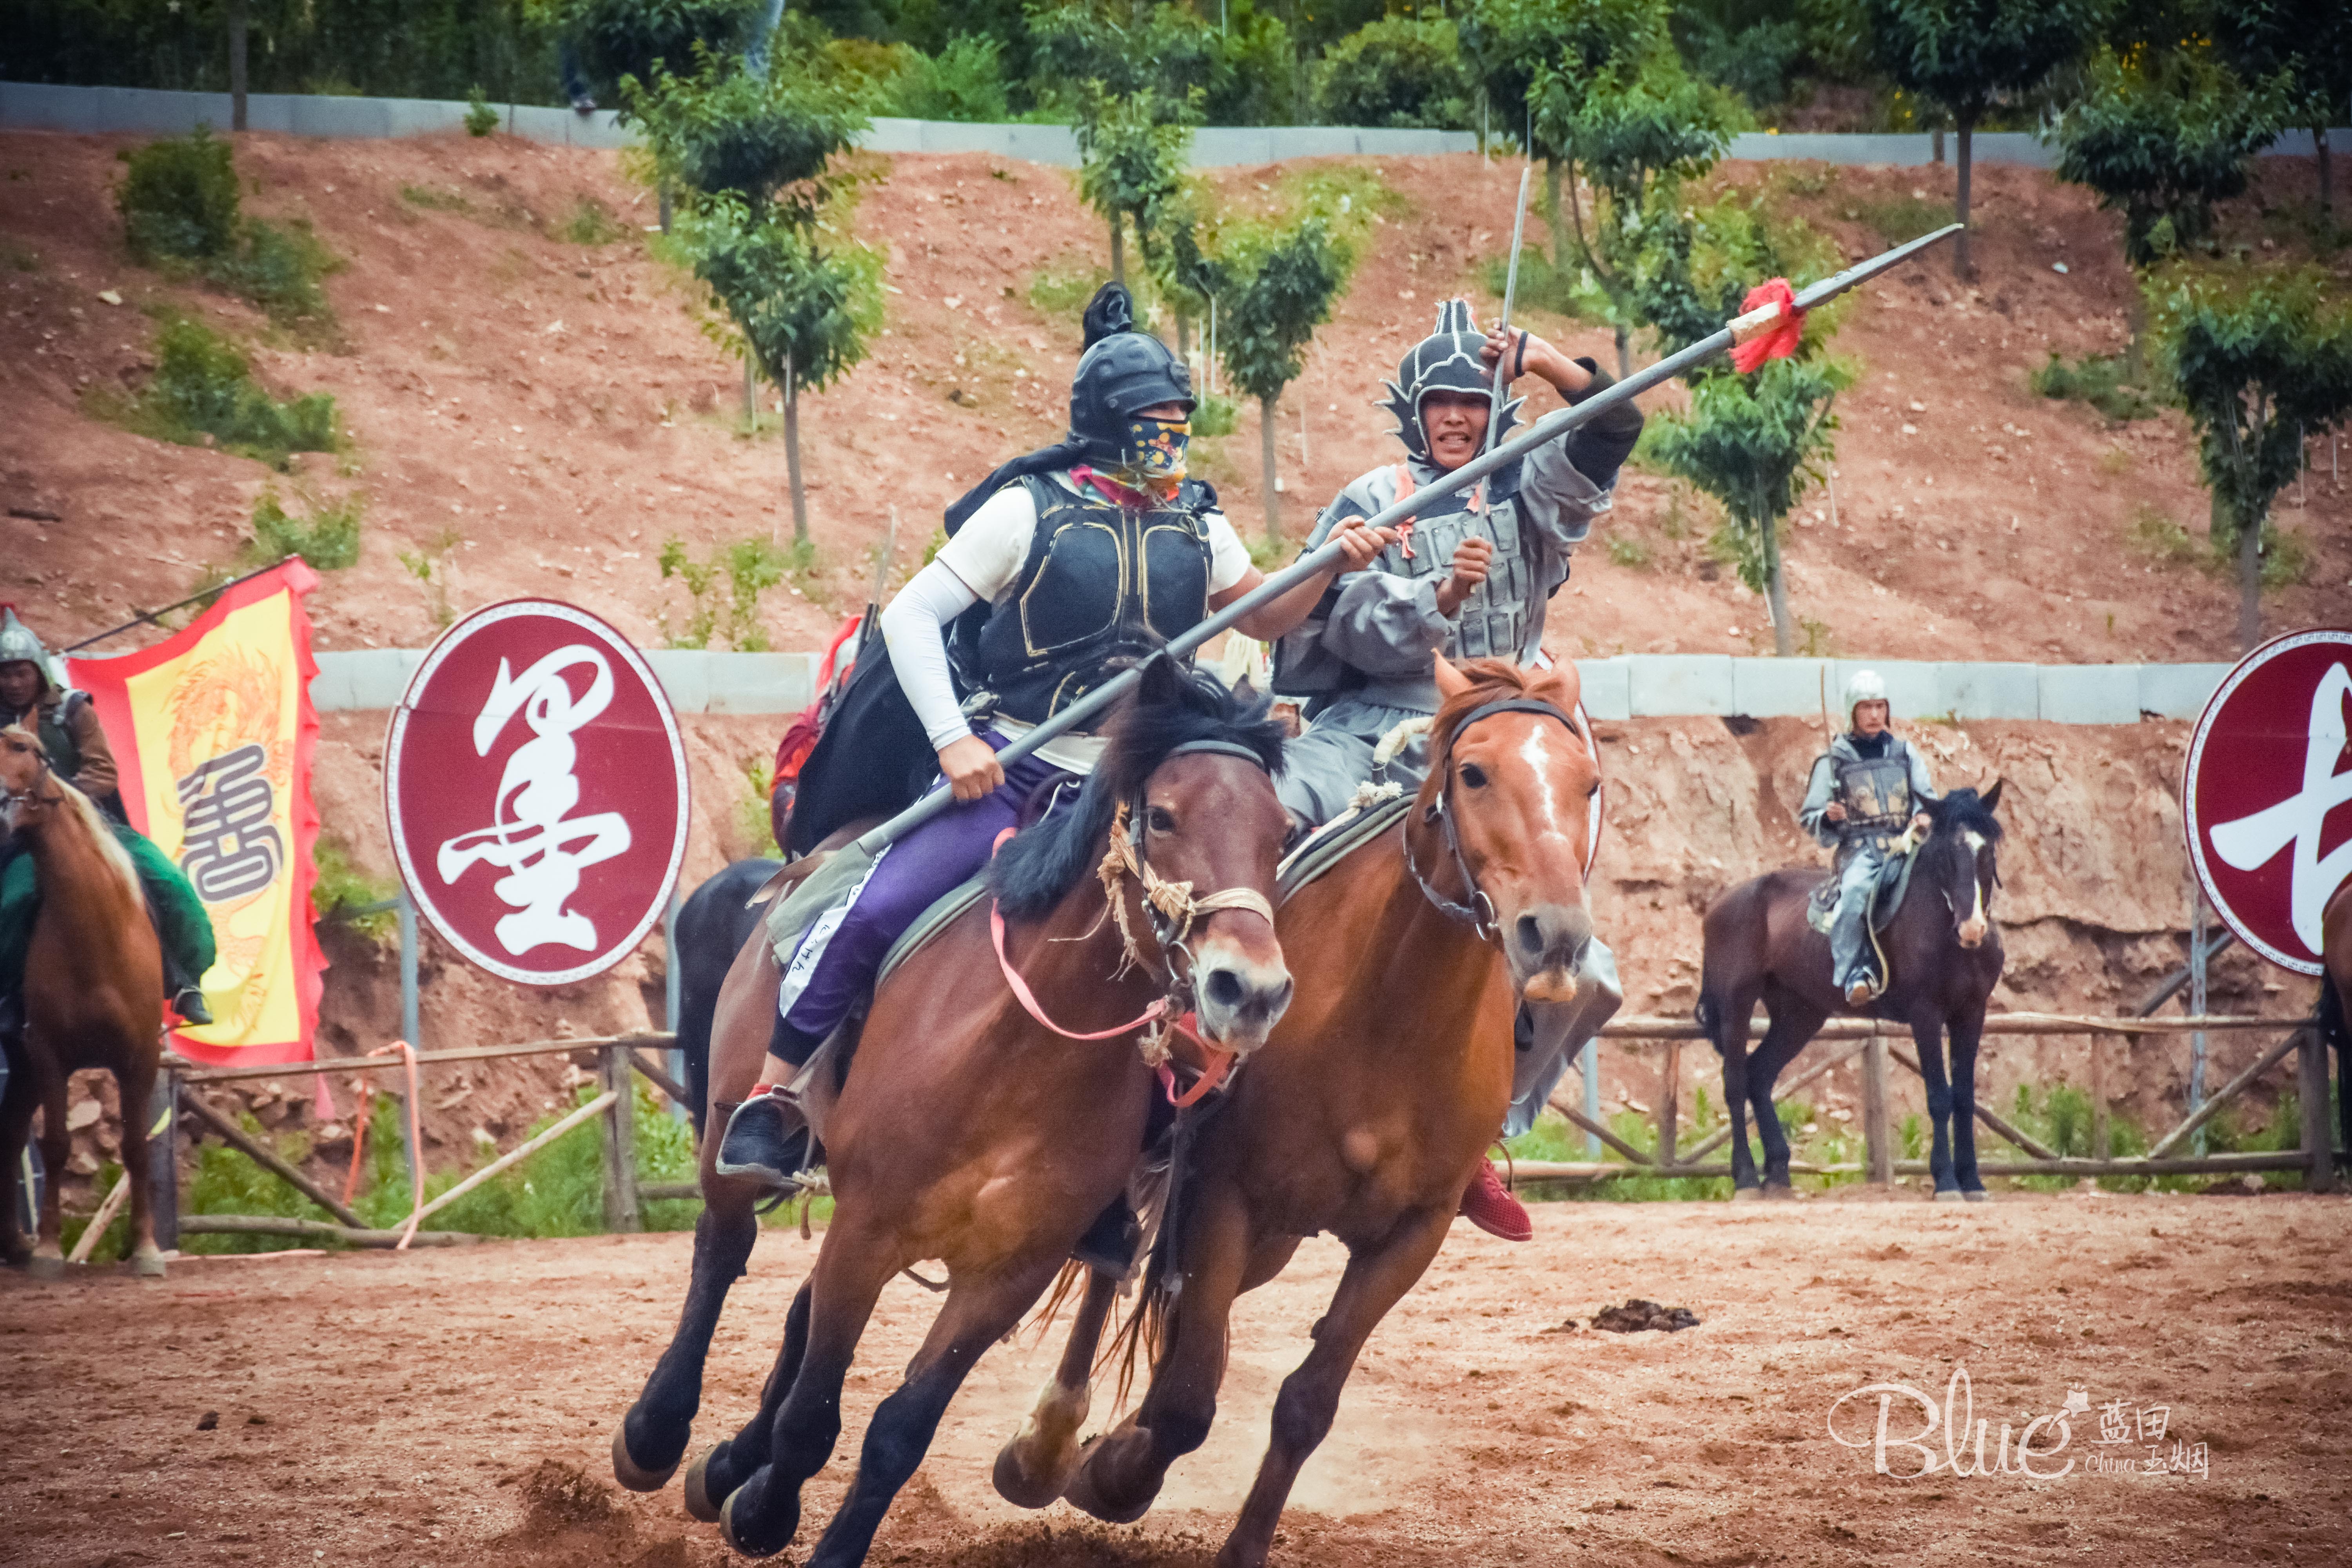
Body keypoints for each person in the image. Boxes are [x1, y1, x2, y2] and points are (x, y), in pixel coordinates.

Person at [715, 287, 1396, 1183]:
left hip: (1136, 786)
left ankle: (1129, 1165)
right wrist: (956, 740)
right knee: (879, 902)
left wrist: (1328, 565)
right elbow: (914, 617)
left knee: (1203, 943)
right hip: (1010, 765)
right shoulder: (1026, 509)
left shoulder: (1194, 517)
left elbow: (1267, 617)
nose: (1171, 436)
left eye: (1178, 420)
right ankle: (778, 1090)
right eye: (1155, 420)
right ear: (1111, 423)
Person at [1269, 299, 1646, 1242]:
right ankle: (1204, 1053)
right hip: (1374, 719)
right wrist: (1433, 596)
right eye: (1439, 403)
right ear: (1413, 411)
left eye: (1472, 401)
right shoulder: (1371, 497)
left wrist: (1545, 360)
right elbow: (1327, 627)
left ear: (1496, 409)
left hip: (1505, 731)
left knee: (1586, 970)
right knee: (1266, 810)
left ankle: (1476, 1127)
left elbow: (1618, 421)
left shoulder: (1531, 491)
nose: (1455, 418)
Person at [0, 610, 215, 1028]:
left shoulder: (72, 712)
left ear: (38, 672)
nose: (12, 682)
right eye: (4, 674)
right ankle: (10, 994)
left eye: (20, 672)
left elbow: (102, 771)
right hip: (23, 839)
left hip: (96, 829)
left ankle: (184, 978)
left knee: (168, 884)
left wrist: (60, 799)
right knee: (12, 903)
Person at [1799, 670, 1938, 1005]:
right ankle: (1854, 974)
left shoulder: (1905, 753)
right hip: (1861, 851)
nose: (1875, 715)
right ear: (1853, 712)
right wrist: (1830, 818)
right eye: (1866, 707)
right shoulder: (1835, 760)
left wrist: (1923, 815)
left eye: (1880, 706)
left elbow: (1926, 796)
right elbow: (1810, 815)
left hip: (1907, 846)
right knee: (1854, 899)